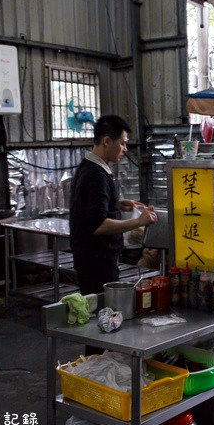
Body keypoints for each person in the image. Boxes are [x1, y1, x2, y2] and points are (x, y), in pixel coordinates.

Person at [70, 115, 157, 294]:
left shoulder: (87, 166)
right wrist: (138, 222)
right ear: (107, 141)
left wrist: (115, 204)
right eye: (123, 143)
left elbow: (89, 206)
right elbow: (99, 225)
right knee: (104, 312)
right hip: (97, 261)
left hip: (91, 258)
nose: (125, 149)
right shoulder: (96, 176)